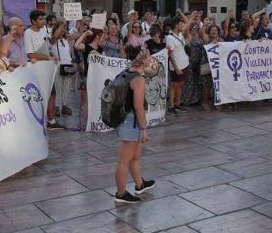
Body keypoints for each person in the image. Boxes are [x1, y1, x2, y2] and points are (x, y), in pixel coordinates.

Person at [113, 45, 157, 203]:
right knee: (124, 160)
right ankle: (120, 193)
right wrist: (144, 129)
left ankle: (139, 184)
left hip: (128, 120)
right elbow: (138, 107)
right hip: (130, 122)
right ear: (143, 59)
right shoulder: (138, 79)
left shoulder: (128, 70)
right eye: (148, 55)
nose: (151, 58)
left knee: (135, 156)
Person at [24, 10, 63, 130]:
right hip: (37, 70)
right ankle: (39, 120)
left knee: (52, 93)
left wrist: (51, 54)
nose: (43, 21)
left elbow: (48, 45)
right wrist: (47, 57)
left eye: (43, 19)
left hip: (47, 68)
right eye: (40, 19)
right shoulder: (28, 33)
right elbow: (30, 54)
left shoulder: (44, 30)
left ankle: (51, 121)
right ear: (33, 21)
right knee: (39, 95)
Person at [75, 28, 105, 130]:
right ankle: (84, 123)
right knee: (86, 102)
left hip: (98, 77)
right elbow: (76, 45)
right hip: (87, 76)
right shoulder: (86, 47)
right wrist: (84, 34)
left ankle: (94, 121)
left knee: (96, 100)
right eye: (102, 36)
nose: (103, 38)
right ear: (97, 36)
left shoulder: (101, 49)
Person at [50, 21, 76, 117]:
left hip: (67, 65)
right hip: (57, 65)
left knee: (66, 87)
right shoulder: (52, 39)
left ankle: (64, 105)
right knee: (57, 87)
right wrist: (61, 24)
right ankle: (56, 106)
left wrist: (80, 23)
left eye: (64, 29)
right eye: (60, 29)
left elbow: (76, 35)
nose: (62, 31)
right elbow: (56, 35)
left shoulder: (66, 39)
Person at [166, 13, 190, 114]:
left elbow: (183, 45)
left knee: (180, 84)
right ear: (176, 25)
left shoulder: (180, 34)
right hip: (176, 67)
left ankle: (178, 104)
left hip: (184, 64)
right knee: (174, 85)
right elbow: (170, 55)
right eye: (181, 23)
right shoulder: (170, 38)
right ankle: (171, 106)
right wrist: (176, 68)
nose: (182, 25)